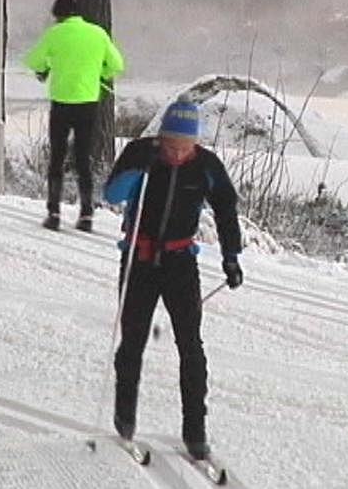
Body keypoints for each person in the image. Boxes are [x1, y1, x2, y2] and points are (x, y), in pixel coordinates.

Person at [102, 98, 244, 460]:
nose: (177, 155)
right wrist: (139, 171)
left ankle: (195, 431)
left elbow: (227, 209)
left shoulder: (207, 166)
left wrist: (231, 257)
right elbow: (112, 194)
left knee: (191, 346)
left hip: (181, 263)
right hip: (140, 259)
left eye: (184, 148)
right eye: (170, 146)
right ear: (161, 138)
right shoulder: (140, 153)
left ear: (195, 143)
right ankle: (125, 416)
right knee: (133, 341)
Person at [24, 0, 125, 232]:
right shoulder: (98, 33)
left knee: (57, 158)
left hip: (61, 103)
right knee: (83, 159)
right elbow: (117, 65)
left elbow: (33, 61)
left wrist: (45, 69)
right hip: (88, 104)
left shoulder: (55, 34)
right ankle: (87, 213)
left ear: (58, 16)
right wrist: (100, 74)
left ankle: (54, 212)